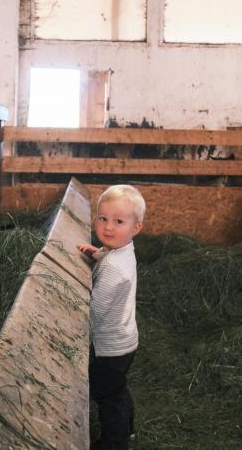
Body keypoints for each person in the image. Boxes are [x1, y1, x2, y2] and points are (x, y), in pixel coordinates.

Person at [77, 184, 145, 450]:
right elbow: (110, 255)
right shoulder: (122, 251)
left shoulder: (115, 271)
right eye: (102, 218)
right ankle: (127, 431)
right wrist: (96, 253)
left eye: (118, 221)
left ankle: (114, 443)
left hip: (110, 348)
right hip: (126, 341)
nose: (107, 227)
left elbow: (95, 309)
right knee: (118, 389)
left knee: (107, 396)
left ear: (135, 228)